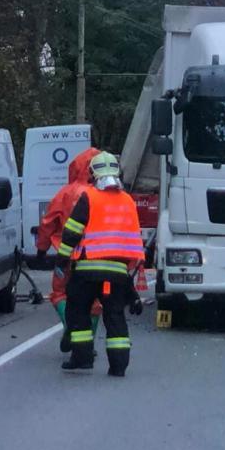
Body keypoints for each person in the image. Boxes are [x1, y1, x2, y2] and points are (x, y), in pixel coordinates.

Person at [54, 151, 144, 377]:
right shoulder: (128, 201)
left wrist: (62, 259)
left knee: (78, 311)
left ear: (92, 173)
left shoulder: (89, 196)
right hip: (117, 273)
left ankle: (82, 359)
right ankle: (119, 366)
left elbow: (72, 231)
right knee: (115, 317)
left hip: (87, 270)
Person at [35, 146, 103, 350]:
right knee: (95, 300)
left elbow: (48, 222)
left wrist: (41, 250)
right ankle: (88, 341)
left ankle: (70, 326)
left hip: (66, 255)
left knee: (59, 292)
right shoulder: (103, 194)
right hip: (96, 256)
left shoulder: (65, 193)